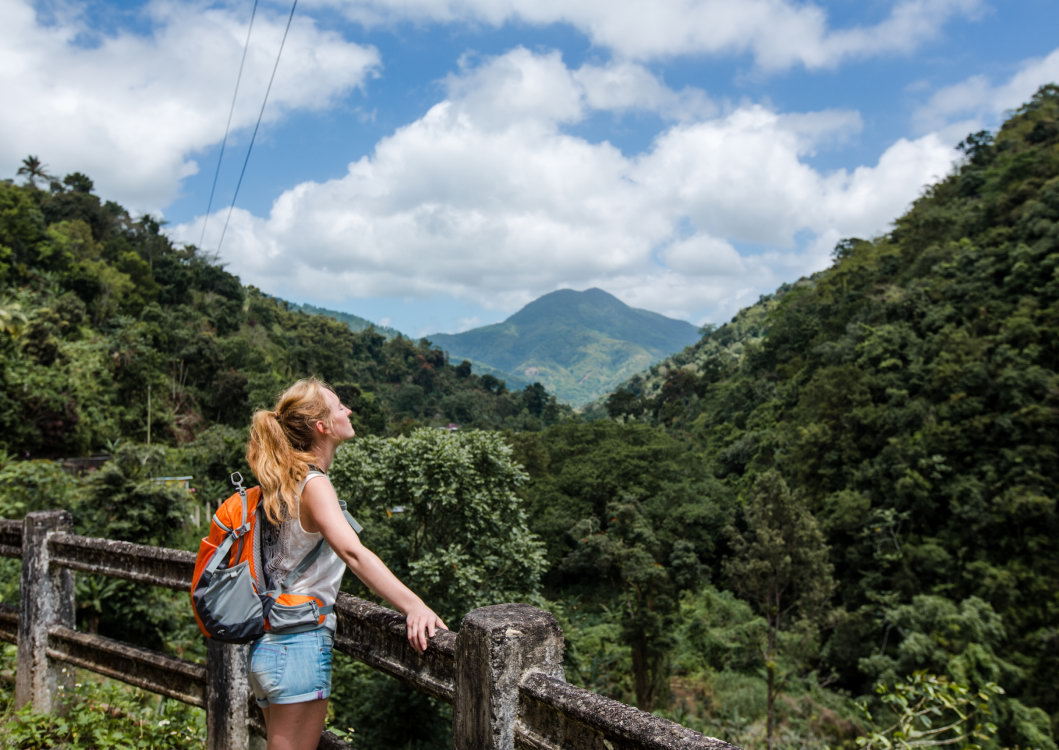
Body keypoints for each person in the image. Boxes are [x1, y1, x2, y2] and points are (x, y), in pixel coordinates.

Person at [244, 377, 446, 750]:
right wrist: (413, 605)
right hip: (299, 643)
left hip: (268, 643)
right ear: (321, 426)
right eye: (339, 406)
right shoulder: (313, 484)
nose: (348, 411)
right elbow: (354, 553)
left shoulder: (281, 482)